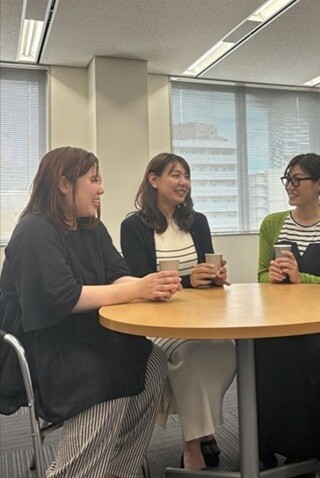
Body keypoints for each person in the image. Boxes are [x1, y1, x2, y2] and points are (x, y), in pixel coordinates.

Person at [0, 147, 182, 477]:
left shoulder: (91, 228)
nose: (101, 189)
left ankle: (116, 469)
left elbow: (117, 274)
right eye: (94, 180)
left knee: (153, 361)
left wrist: (150, 286)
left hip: (83, 334)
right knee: (107, 376)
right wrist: (138, 289)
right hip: (44, 343)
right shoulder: (34, 231)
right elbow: (63, 298)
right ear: (63, 184)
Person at [120, 152, 236, 470]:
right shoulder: (133, 226)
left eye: (186, 175)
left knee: (226, 347)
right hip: (157, 321)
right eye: (175, 174)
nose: (183, 182)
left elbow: (206, 274)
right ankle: (193, 443)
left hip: (199, 318)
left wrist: (215, 277)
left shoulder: (198, 222)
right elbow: (140, 281)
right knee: (190, 353)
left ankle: (202, 430)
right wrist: (187, 280)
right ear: (153, 180)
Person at [255, 153, 320, 468]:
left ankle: (303, 448)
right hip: (280, 318)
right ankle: (262, 442)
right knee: (259, 349)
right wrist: (270, 277)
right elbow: (260, 275)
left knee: (307, 352)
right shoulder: (272, 224)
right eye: (287, 179)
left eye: (297, 179)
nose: (290, 186)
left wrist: (301, 278)